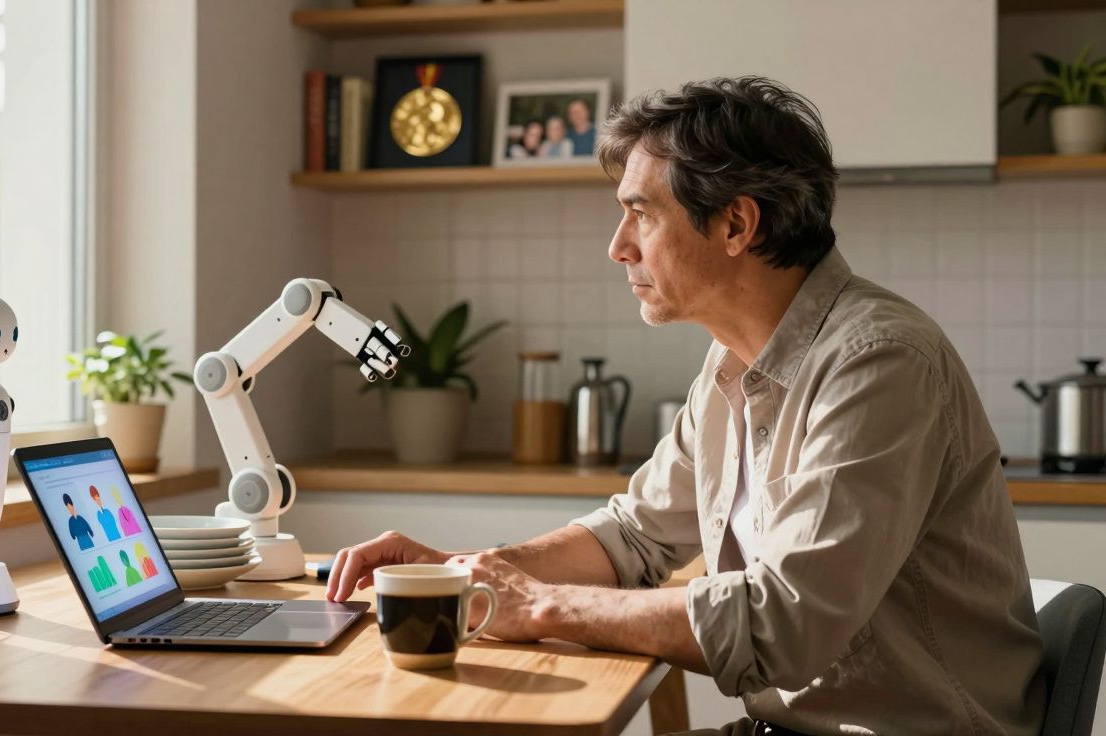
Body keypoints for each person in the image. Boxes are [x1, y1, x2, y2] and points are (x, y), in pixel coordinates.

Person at [328, 77, 1047, 735]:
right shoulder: (732, 363)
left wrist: (543, 606)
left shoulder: (879, 363)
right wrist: (460, 578)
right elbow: (634, 537)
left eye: (641, 214)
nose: (618, 248)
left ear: (737, 225)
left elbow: (781, 625)